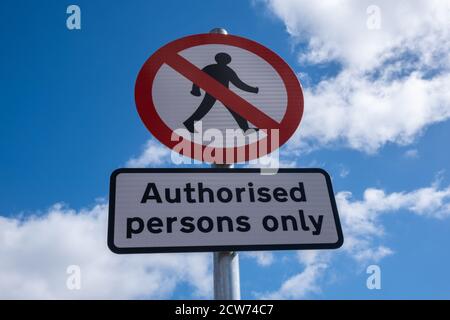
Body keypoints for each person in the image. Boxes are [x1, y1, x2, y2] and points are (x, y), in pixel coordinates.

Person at [183, 52, 259, 133]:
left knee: (205, 109)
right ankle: (189, 122)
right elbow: (198, 78)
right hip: (217, 92)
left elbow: (239, 84)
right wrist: (196, 90)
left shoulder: (220, 69)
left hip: (223, 93)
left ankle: (246, 129)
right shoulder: (217, 69)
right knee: (204, 109)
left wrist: (253, 90)